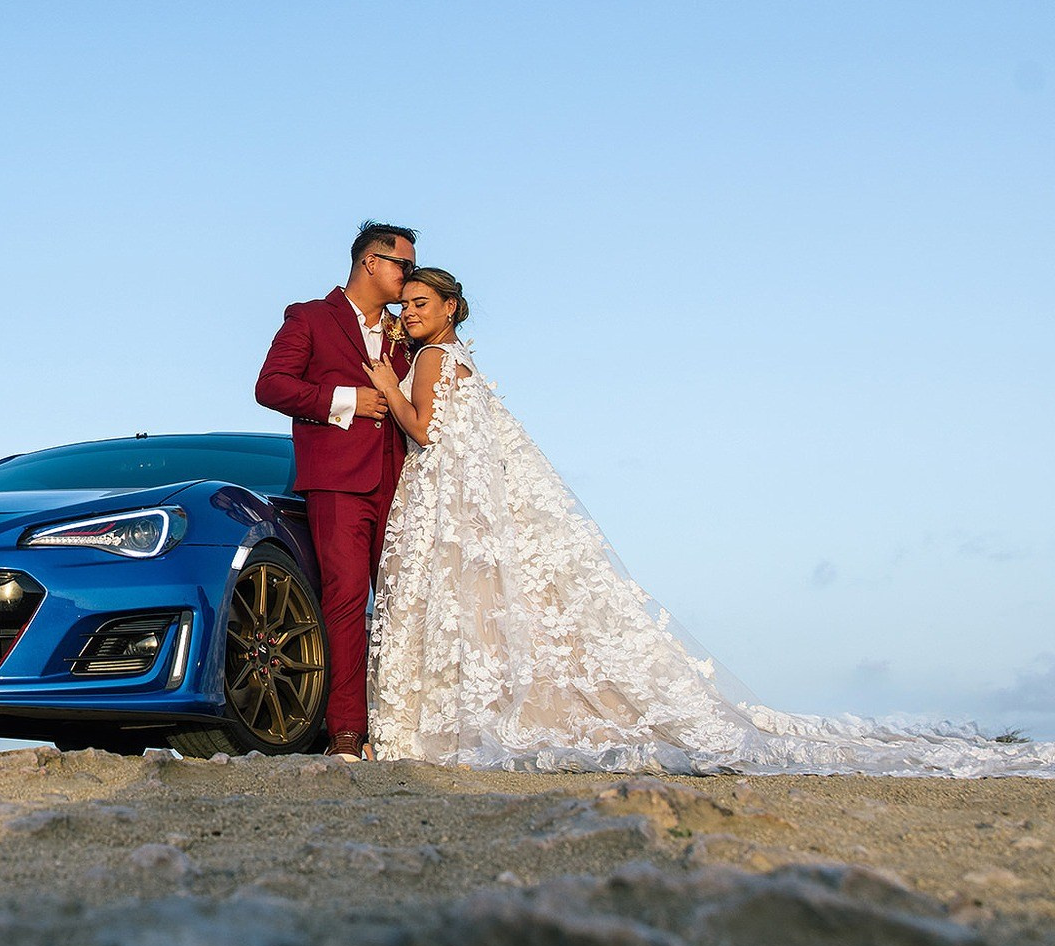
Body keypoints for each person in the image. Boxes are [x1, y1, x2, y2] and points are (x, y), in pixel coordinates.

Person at [362, 268, 1055, 775]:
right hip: (457, 497)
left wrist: (389, 387)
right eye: (408, 305)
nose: (412, 313)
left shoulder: (431, 359)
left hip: (440, 494)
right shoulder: (462, 360)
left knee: (451, 602)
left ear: (451, 308)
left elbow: (424, 432)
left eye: (423, 304)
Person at [254, 221, 417, 760]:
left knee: (406, 603)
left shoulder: (408, 328)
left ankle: (405, 727)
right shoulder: (310, 317)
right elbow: (271, 385)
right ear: (371, 262)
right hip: (339, 484)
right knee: (345, 599)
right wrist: (346, 400)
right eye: (404, 265)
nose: (411, 275)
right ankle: (347, 731)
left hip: (406, 484)